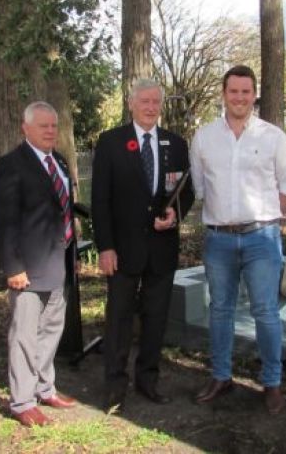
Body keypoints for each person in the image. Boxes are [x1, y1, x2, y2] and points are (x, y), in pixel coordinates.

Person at [189, 65, 286, 414]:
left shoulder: (273, 137)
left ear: (254, 95)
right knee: (219, 310)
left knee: (265, 311)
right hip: (219, 239)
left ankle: (272, 383)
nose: (239, 98)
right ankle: (221, 377)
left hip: (262, 239)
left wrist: (269, 218)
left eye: (245, 92)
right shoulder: (204, 137)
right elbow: (200, 187)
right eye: (233, 91)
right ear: (224, 94)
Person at [91, 78, 195, 411]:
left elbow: (186, 191)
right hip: (122, 251)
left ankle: (147, 380)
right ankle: (114, 385)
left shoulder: (176, 144)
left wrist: (174, 215)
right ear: (131, 103)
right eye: (144, 101)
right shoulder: (110, 143)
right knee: (119, 318)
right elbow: (100, 201)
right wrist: (105, 247)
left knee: (155, 319)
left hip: (162, 250)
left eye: (155, 102)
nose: (150, 107)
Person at [0, 101, 78, 427]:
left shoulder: (59, 162)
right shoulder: (11, 165)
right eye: (43, 126)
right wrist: (12, 267)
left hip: (58, 263)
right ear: (25, 128)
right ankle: (22, 402)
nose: (50, 131)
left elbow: (62, 210)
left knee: (52, 330)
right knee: (25, 336)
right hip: (27, 268)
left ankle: (45, 388)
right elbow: (3, 221)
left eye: (53, 126)